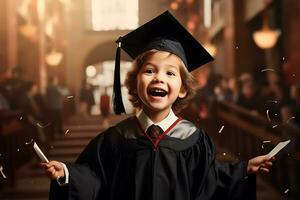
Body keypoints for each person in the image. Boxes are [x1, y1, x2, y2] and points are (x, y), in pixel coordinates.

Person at [41, 11, 274, 200]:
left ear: (182, 88)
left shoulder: (195, 140)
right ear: (135, 82)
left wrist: (244, 171)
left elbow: (210, 182)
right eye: (149, 71)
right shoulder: (114, 139)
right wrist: (68, 175)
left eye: (170, 73)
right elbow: (94, 179)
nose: (159, 78)